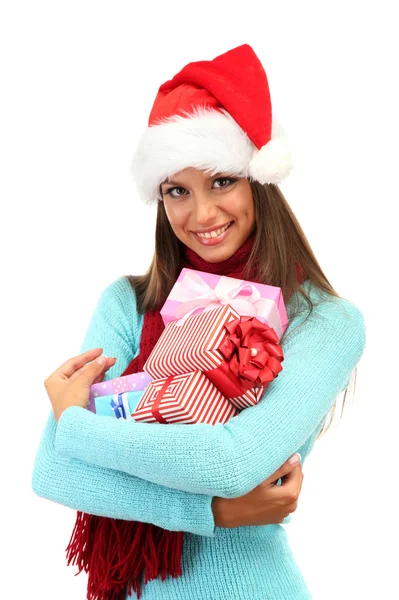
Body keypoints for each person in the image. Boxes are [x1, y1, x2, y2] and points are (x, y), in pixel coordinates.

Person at [32, 43, 366, 600]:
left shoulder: (324, 322)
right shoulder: (127, 305)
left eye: (221, 181)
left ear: (257, 181)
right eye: (177, 191)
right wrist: (215, 512)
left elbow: (231, 463)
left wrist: (75, 423)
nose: (202, 215)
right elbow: (53, 475)